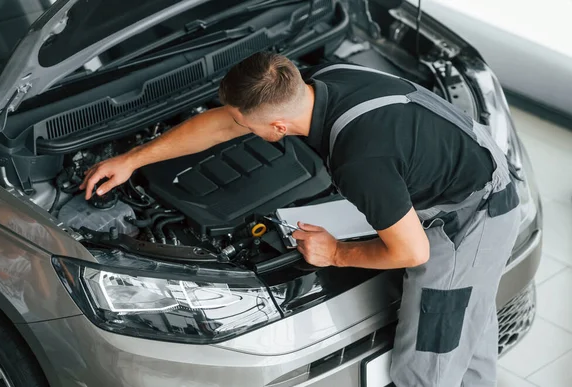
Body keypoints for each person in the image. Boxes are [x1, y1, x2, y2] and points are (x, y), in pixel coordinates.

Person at [80, 52, 520, 386]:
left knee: (428, 362)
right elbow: (222, 125)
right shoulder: (324, 80)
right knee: (469, 335)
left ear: (277, 129)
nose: (236, 127)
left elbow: (411, 250)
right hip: (463, 170)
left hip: (470, 220)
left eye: (244, 122)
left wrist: (336, 253)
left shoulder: (360, 159)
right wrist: (133, 159)